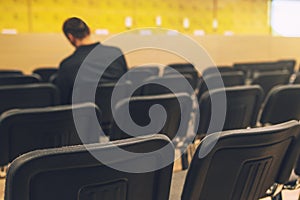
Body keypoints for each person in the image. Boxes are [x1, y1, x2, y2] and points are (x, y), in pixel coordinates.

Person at [55, 17, 128, 104]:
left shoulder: (67, 65)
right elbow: (125, 88)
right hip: (117, 115)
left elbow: (63, 102)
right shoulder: (116, 53)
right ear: (89, 30)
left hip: (83, 117)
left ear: (70, 37)